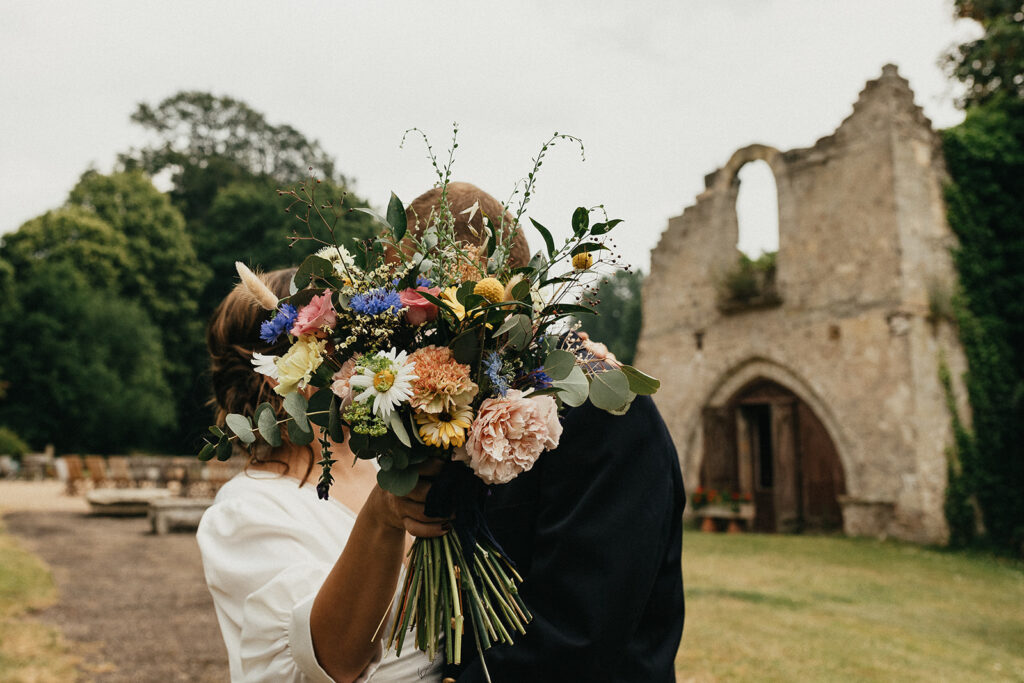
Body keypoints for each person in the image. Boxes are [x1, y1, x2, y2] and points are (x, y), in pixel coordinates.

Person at [399, 183, 687, 681]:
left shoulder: (604, 408)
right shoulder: (460, 406)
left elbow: (577, 637)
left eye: (414, 301)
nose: (401, 325)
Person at [197, 267, 447, 683]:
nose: (360, 353)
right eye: (337, 337)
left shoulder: (389, 466)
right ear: (286, 365)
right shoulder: (243, 511)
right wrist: (381, 516)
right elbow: (332, 660)